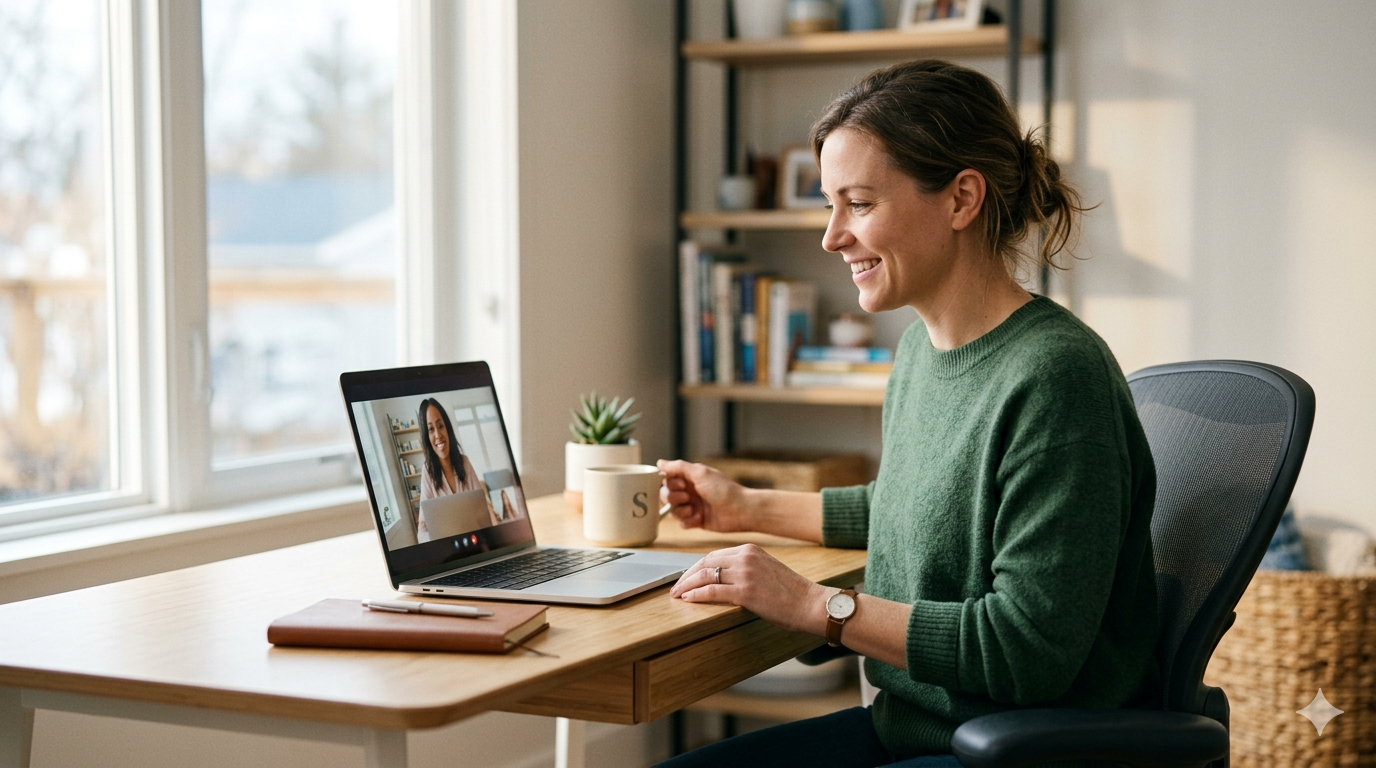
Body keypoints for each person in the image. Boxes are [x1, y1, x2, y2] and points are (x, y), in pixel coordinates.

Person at [655, 60, 1160, 768]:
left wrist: (812, 607)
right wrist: (742, 506)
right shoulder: (921, 352)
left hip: (1011, 751)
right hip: (911, 729)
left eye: (858, 204)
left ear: (961, 199)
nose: (831, 236)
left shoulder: (1057, 376)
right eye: (831, 205)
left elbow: (1026, 651)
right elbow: (915, 506)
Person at [417, 398, 496, 540]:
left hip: (476, 543)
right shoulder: (427, 472)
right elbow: (422, 529)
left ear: (447, 428)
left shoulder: (464, 462)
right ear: (426, 436)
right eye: (430, 429)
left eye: (440, 426)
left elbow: (482, 506)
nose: (438, 435)